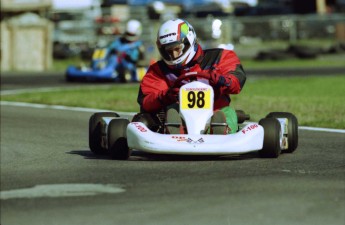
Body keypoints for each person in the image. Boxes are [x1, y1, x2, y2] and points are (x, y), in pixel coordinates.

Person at [134, 18, 246, 134]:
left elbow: (236, 81)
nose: (174, 55)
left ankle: (220, 129)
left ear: (189, 41)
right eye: (168, 51)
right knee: (165, 113)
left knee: (228, 112)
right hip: (179, 113)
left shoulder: (220, 57)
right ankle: (176, 129)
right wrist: (167, 95)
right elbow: (147, 101)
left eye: (178, 48)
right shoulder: (158, 70)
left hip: (215, 111)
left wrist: (223, 81)